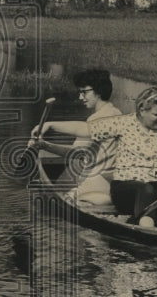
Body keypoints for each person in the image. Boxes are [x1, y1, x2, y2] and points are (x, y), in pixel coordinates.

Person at [34, 85, 157, 228]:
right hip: (126, 189)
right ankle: (147, 229)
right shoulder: (124, 124)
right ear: (141, 111)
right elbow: (86, 129)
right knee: (145, 189)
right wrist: (50, 125)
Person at [30, 69, 121, 205]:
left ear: (99, 91)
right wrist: (44, 145)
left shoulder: (96, 119)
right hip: (112, 182)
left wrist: (44, 145)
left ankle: (90, 198)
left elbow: (74, 153)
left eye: (84, 92)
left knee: (56, 203)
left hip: (95, 182)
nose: (80, 97)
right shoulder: (117, 113)